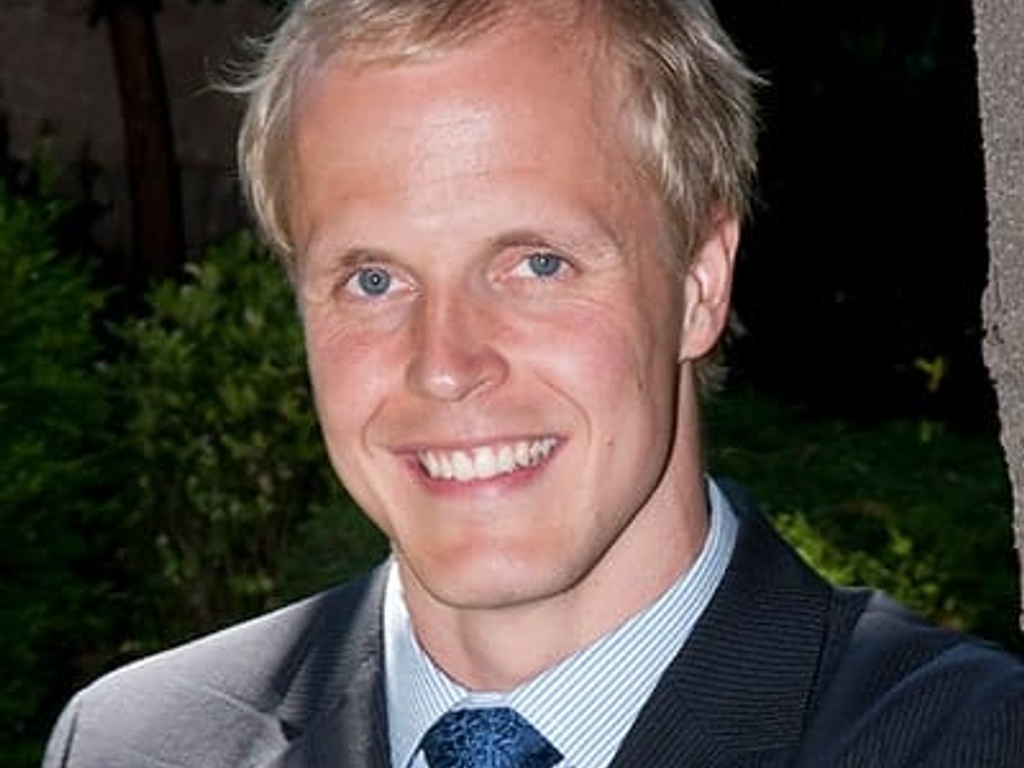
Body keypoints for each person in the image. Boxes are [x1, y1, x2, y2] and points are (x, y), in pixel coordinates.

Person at [43, 0, 1024, 766]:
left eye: (536, 263)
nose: (445, 363)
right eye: (372, 279)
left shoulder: (968, 742)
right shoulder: (133, 745)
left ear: (697, 281)